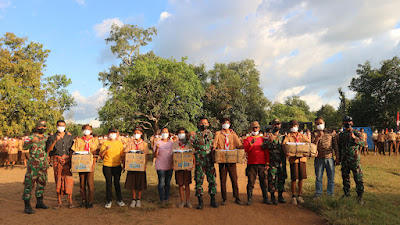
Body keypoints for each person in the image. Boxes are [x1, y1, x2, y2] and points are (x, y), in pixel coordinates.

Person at [189, 117, 219, 209]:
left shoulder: (211, 134)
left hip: (209, 160)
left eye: (205, 123)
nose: (203, 125)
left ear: (208, 124)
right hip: (199, 161)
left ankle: (213, 200)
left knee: (212, 180)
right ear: (198, 124)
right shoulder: (195, 135)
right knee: (199, 181)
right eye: (202, 123)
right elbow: (188, 142)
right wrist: (188, 135)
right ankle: (200, 202)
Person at [213, 118, 243, 205]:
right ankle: (224, 198)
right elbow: (214, 144)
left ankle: (237, 197)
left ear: (230, 124)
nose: (226, 124)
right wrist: (214, 152)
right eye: (224, 123)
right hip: (222, 160)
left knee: (234, 179)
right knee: (223, 180)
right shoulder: (218, 134)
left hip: (232, 160)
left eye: (227, 123)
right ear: (221, 124)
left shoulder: (233, 134)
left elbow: (239, 145)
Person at [22, 120, 50, 214]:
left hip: (43, 164)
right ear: (37, 127)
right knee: (29, 183)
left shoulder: (47, 137)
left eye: (44, 127)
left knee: (42, 182)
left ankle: (39, 202)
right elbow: (24, 147)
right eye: (40, 127)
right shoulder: (30, 137)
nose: (42, 128)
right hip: (33, 165)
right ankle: (27, 205)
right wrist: (31, 141)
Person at [46, 120, 75, 209]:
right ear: (56, 126)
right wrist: (55, 141)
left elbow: (72, 150)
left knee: (68, 180)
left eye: (62, 126)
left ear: (65, 126)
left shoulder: (70, 137)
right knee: (58, 179)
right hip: (56, 160)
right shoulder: (52, 137)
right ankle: (59, 202)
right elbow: (48, 150)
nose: (61, 127)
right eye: (59, 125)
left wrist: (69, 158)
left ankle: (70, 202)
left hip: (67, 161)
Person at [71, 124, 100, 208]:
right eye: (85, 129)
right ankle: (83, 200)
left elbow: (96, 153)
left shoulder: (95, 140)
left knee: (90, 185)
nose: (87, 131)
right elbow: (74, 152)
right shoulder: (79, 140)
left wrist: (93, 164)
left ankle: (90, 201)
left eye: (88, 129)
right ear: (83, 130)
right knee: (82, 184)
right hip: (81, 165)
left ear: (91, 131)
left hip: (90, 164)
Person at [338, 116, 366, 204]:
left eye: (349, 121)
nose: (348, 123)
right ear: (343, 123)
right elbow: (339, 147)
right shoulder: (341, 135)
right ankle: (346, 194)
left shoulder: (356, 132)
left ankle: (360, 197)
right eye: (346, 121)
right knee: (345, 178)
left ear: (352, 123)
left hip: (354, 159)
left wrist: (354, 138)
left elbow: (363, 143)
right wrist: (338, 158)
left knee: (358, 178)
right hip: (344, 160)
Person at [282, 120, 310, 205]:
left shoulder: (302, 136)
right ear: (290, 127)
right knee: (294, 178)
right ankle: (293, 196)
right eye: (292, 126)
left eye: (295, 125)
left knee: (301, 178)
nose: (294, 127)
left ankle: (299, 195)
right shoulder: (288, 136)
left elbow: (308, 143)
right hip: (293, 160)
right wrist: (286, 152)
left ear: (298, 126)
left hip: (302, 159)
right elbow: (284, 145)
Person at [312, 118, 339, 198]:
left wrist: (337, 157)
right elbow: (312, 145)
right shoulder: (314, 133)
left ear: (324, 123)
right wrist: (317, 137)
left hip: (329, 158)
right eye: (317, 124)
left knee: (331, 177)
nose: (319, 125)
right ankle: (318, 193)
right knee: (319, 177)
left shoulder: (331, 132)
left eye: (320, 123)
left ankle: (330, 194)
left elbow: (335, 146)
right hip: (319, 158)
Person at [243, 121, 270, 205]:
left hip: (261, 163)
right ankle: (249, 199)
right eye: (253, 128)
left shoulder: (263, 138)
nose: (255, 129)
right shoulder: (247, 139)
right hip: (251, 163)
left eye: (256, 127)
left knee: (263, 181)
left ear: (259, 128)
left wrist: (267, 163)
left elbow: (266, 151)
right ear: (251, 128)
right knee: (251, 181)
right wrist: (251, 143)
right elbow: (246, 149)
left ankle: (265, 198)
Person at [99, 128, 125, 208]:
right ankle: (109, 200)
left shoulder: (119, 143)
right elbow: (101, 155)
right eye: (111, 133)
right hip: (107, 165)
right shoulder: (105, 143)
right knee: (108, 183)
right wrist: (106, 149)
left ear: (117, 134)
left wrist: (124, 164)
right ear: (108, 134)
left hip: (117, 165)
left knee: (117, 183)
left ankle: (119, 199)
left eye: (114, 133)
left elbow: (122, 155)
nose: (112, 134)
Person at [263, 119, 287, 205]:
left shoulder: (284, 136)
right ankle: (272, 197)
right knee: (272, 179)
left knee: (282, 178)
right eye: (274, 124)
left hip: (282, 161)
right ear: (272, 125)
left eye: (278, 124)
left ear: (280, 125)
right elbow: (264, 146)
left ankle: (280, 196)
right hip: (272, 161)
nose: (276, 126)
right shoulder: (268, 136)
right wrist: (271, 141)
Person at [124, 126, 149, 208]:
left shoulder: (145, 144)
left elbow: (146, 156)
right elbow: (126, 154)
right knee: (132, 183)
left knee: (140, 183)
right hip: (131, 166)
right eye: (135, 133)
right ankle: (133, 199)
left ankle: (139, 199)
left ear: (141, 134)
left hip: (140, 167)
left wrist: (145, 165)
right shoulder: (130, 143)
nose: (136, 134)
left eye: (138, 133)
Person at [172, 127, 194, 208]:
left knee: (187, 184)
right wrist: (173, 165)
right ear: (177, 134)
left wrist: (193, 164)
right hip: (178, 167)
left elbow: (192, 154)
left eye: (183, 132)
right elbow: (173, 156)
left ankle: (188, 201)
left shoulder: (189, 144)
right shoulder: (174, 144)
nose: (181, 134)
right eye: (180, 132)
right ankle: (182, 201)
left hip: (187, 167)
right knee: (180, 185)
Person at [154, 128, 174, 206]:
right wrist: (157, 149)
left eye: (166, 132)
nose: (164, 134)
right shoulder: (157, 143)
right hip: (160, 167)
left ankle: (167, 198)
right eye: (163, 132)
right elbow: (155, 155)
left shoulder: (171, 143)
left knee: (168, 183)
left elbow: (174, 154)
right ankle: (162, 199)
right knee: (161, 183)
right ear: (160, 134)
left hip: (169, 166)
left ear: (169, 133)